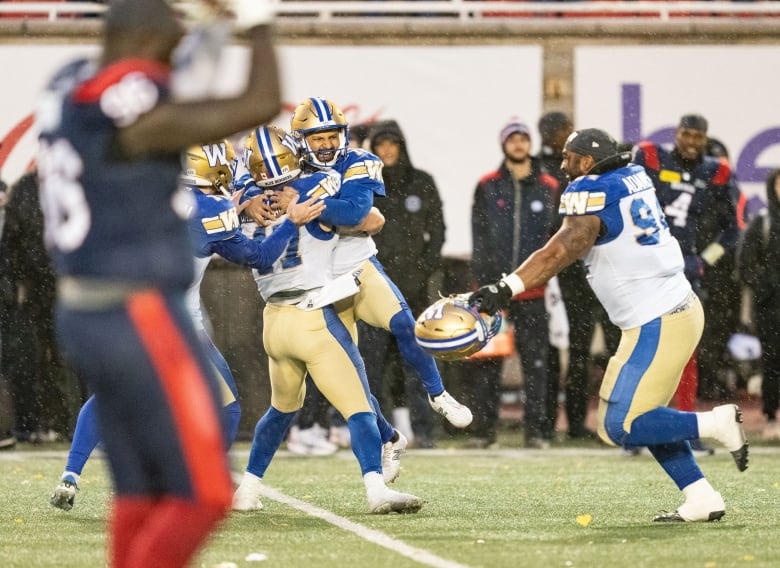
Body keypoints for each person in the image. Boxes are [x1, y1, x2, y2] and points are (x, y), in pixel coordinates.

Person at [36, 1, 284, 565]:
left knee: (142, 492)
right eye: (172, 38)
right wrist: (258, 23)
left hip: (86, 309)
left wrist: (213, 29)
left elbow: (166, 85)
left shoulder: (72, 82)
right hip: (137, 309)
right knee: (203, 494)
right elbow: (259, 103)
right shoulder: (138, 112)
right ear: (146, 39)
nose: (179, 48)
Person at [469, 127, 749, 522]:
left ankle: (715, 423)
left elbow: (562, 249)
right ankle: (701, 495)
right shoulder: (631, 175)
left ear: (586, 161)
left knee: (621, 424)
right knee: (645, 414)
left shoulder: (591, 189)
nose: (563, 164)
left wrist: (506, 286)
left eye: (569, 157)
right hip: (671, 310)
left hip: (658, 319)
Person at [47, 139, 324, 511]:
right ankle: (200, 484)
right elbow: (258, 255)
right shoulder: (214, 208)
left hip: (118, 310)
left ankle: (70, 475)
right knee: (226, 409)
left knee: (111, 396)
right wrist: (290, 222)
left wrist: (238, 208)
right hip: (172, 323)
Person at [232, 125, 424, 514]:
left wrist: (244, 199)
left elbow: (235, 200)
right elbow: (366, 216)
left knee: (281, 410)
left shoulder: (241, 207)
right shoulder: (319, 184)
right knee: (359, 408)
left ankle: (247, 490)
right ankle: (375, 489)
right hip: (311, 315)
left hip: (273, 321)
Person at [289, 98, 472, 431]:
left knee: (406, 326)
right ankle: (373, 434)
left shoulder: (358, 161)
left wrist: (303, 203)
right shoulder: (285, 170)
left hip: (360, 266)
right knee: (348, 367)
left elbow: (358, 213)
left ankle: (438, 394)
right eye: (318, 138)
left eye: (333, 136)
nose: (328, 144)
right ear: (302, 139)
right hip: (316, 279)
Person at [633, 114, 741, 409]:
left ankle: (683, 420)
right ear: (677, 134)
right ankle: (637, 421)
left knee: (685, 348)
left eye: (698, 136)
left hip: (684, 271)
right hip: (647, 267)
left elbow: (732, 230)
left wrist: (704, 260)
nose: (692, 142)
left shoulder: (715, 172)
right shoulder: (651, 158)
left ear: (706, 139)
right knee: (642, 345)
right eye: (687, 135)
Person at [470, 118, 558, 449]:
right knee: (488, 362)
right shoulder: (488, 184)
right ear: (503, 144)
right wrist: (485, 281)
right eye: (512, 139)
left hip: (532, 290)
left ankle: (536, 432)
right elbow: (479, 236)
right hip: (494, 292)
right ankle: (483, 432)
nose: (518, 144)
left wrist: (543, 276)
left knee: (536, 363)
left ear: (530, 143)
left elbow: (555, 239)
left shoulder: (548, 185)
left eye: (523, 139)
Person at [357, 119, 444, 448]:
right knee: (371, 364)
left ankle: (424, 431)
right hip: (371, 288)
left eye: (393, 143)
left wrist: (423, 269)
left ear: (402, 146)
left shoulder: (422, 182)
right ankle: (378, 432)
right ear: (374, 149)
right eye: (381, 144)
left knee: (417, 363)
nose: (388, 149)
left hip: (414, 290)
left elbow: (438, 231)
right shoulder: (364, 185)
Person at [538, 111, 617, 440]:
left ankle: (616, 421)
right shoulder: (565, 185)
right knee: (576, 351)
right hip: (576, 280)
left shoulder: (605, 185)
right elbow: (560, 238)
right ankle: (574, 421)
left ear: (588, 161)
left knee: (617, 351)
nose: (562, 164)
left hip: (607, 278)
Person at [0, 170, 80, 444]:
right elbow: (14, 239)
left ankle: (71, 425)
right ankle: (39, 425)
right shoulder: (27, 187)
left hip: (63, 284)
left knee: (67, 357)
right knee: (34, 358)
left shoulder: (69, 182)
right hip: (37, 287)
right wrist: (18, 282)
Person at [737, 168, 780, 441]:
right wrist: (768, 286)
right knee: (772, 362)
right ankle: (772, 416)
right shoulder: (762, 223)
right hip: (771, 308)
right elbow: (745, 266)